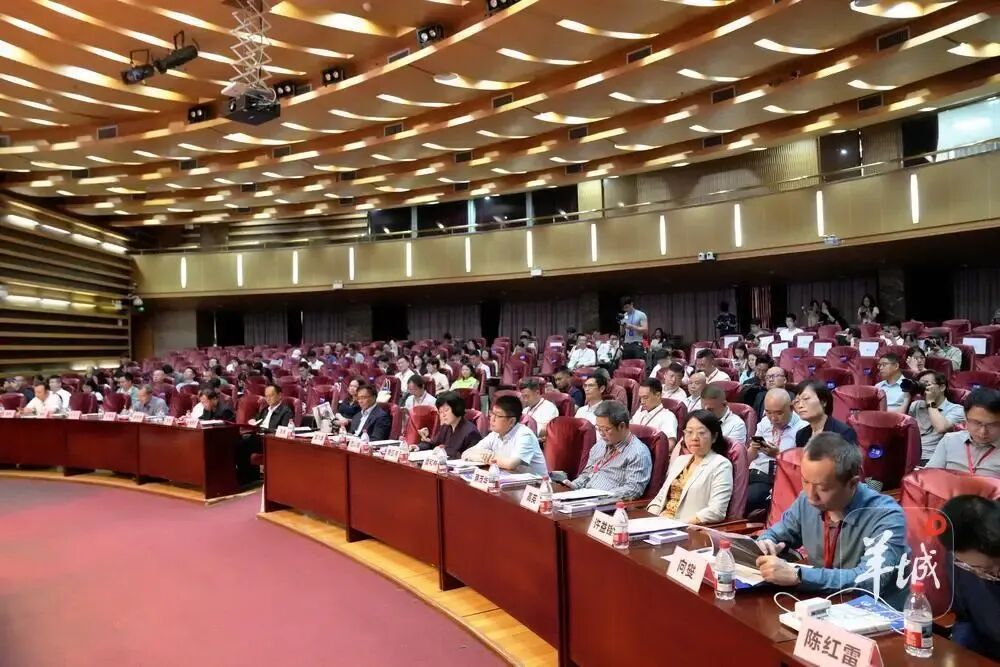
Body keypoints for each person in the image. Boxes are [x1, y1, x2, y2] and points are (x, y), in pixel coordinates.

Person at [755, 432, 908, 608]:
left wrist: (799, 575)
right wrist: (767, 543)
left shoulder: (887, 516)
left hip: (878, 613)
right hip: (822, 606)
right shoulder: (806, 501)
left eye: (823, 488)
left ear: (852, 483)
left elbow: (868, 578)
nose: (811, 495)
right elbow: (777, 533)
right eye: (805, 482)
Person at [940, 495, 1000, 661]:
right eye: (982, 570)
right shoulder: (959, 562)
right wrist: (958, 654)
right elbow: (965, 619)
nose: (993, 574)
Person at [646, 410, 734, 524]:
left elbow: (716, 511)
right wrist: (650, 520)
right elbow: (659, 499)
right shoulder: (680, 461)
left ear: (714, 437)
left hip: (686, 527)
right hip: (661, 523)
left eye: (701, 433)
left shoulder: (721, 465)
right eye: (689, 432)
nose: (694, 438)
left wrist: (677, 524)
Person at [553, 401, 651, 500]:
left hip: (607, 502)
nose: (602, 434)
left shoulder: (637, 453)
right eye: (598, 429)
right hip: (585, 497)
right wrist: (573, 485)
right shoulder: (600, 444)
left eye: (606, 429)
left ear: (622, 426)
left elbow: (633, 489)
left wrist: (603, 495)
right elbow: (587, 473)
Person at [747, 389, 805, 515]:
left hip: (777, 479)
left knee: (749, 499)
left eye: (779, 413)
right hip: (753, 473)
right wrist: (753, 448)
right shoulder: (764, 422)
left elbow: (800, 468)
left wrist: (778, 454)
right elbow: (748, 458)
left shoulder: (803, 429)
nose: (773, 418)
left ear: (791, 408)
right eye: (768, 412)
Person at [461, 395, 547, 475]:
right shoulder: (495, 434)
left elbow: (510, 464)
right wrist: (485, 456)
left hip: (537, 484)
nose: (492, 419)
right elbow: (466, 453)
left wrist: (490, 457)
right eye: (492, 413)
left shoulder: (525, 435)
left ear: (511, 421)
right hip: (509, 480)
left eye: (498, 415)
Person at [925, 388, 999, 476]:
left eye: (992, 425)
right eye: (976, 423)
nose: (983, 432)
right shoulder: (950, 441)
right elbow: (929, 476)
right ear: (965, 418)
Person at [238, 383, 294, 483]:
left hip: (271, 441)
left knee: (243, 445)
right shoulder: (265, 409)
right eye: (266, 396)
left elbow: (284, 431)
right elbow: (256, 419)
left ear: (279, 395)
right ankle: (249, 476)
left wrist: (265, 430)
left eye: (271, 395)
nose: (268, 398)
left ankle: (247, 477)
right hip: (259, 438)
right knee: (238, 443)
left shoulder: (286, 411)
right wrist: (252, 421)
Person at [908, 370, 965, 464]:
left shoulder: (957, 409)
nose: (923, 388)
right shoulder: (916, 405)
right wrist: (907, 398)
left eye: (926, 384)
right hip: (910, 454)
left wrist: (930, 401)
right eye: (920, 384)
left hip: (932, 458)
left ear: (942, 387)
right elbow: (899, 427)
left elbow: (941, 428)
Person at [416, 391, 481, 458]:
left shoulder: (471, 432)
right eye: (440, 412)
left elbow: (469, 456)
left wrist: (443, 450)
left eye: (446, 410)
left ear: (457, 408)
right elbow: (433, 444)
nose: (443, 415)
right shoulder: (446, 426)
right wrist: (418, 447)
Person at [794, 380, 858, 446]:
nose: (800, 405)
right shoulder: (801, 435)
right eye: (797, 401)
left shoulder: (843, 433)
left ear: (823, 402)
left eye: (806, 398)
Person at [631, 378, 679, 449]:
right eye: (640, 398)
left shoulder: (668, 417)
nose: (642, 402)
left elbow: (670, 445)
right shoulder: (640, 411)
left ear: (658, 395)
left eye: (645, 397)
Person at [519, 377, 558, 441]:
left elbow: (547, 430)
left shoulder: (549, 407)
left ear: (537, 393)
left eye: (527, 396)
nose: (525, 400)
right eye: (523, 397)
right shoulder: (525, 410)